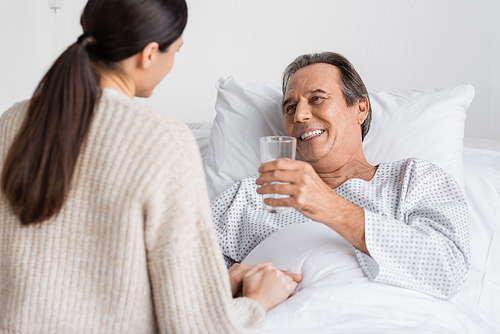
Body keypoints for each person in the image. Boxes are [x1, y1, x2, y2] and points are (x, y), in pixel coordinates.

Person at [0, 0, 301, 332]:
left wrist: (214, 287)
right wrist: (256, 302)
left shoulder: (12, 122)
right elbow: (194, 327)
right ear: (149, 53)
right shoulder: (164, 141)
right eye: (176, 51)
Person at [211, 52, 470, 300]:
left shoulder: (413, 179)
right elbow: (180, 280)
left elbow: (448, 270)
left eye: (317, 99)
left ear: (360, 108)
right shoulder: (250, 196)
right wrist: (227, 282)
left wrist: (328, 205)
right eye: (290, 107)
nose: (299, 115)